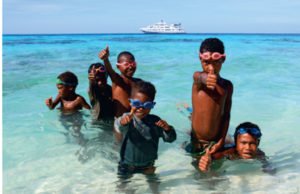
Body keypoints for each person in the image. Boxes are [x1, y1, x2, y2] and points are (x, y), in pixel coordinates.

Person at [114, 80, 177, 177]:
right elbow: (119, 126)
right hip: (127, 164)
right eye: (137, 104)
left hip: (148, 165)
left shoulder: (155, 121)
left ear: (152, 105)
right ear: (130, 102)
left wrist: (167, 129)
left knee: (154, 185)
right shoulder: (127, 119)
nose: (141, 108)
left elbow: (170, 139)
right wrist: (123, 122)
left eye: (147, 105)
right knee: (123, 187)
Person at [188, 38, 233, 156]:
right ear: (200, 59)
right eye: (206, 63)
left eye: (216, 62)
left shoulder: (227, 86)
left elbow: (226, 115)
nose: (211, 68)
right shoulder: (198, 83)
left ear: (223, 59)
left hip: (215, 142)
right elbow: (196, 75)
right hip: (196, 142)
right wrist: (204, 78)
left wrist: (221, 141)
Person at [198, 122, 266, 172]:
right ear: (236, 143)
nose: (247, 148)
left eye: (252, 143)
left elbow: (268, 167)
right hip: (226, 143)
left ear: (258, 143)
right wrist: (207, 159)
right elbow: (211, 157)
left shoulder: (259, 154)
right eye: (243, 143)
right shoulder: (229, 152)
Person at [98, 46, 142, 117]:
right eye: (126, 64)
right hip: (120, 121)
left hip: (134, 119)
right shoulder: (118, 80)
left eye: (133, 64)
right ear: (118, 67)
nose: (130, 67)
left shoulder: (139, 82)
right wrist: (105, 59)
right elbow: (110, 71)